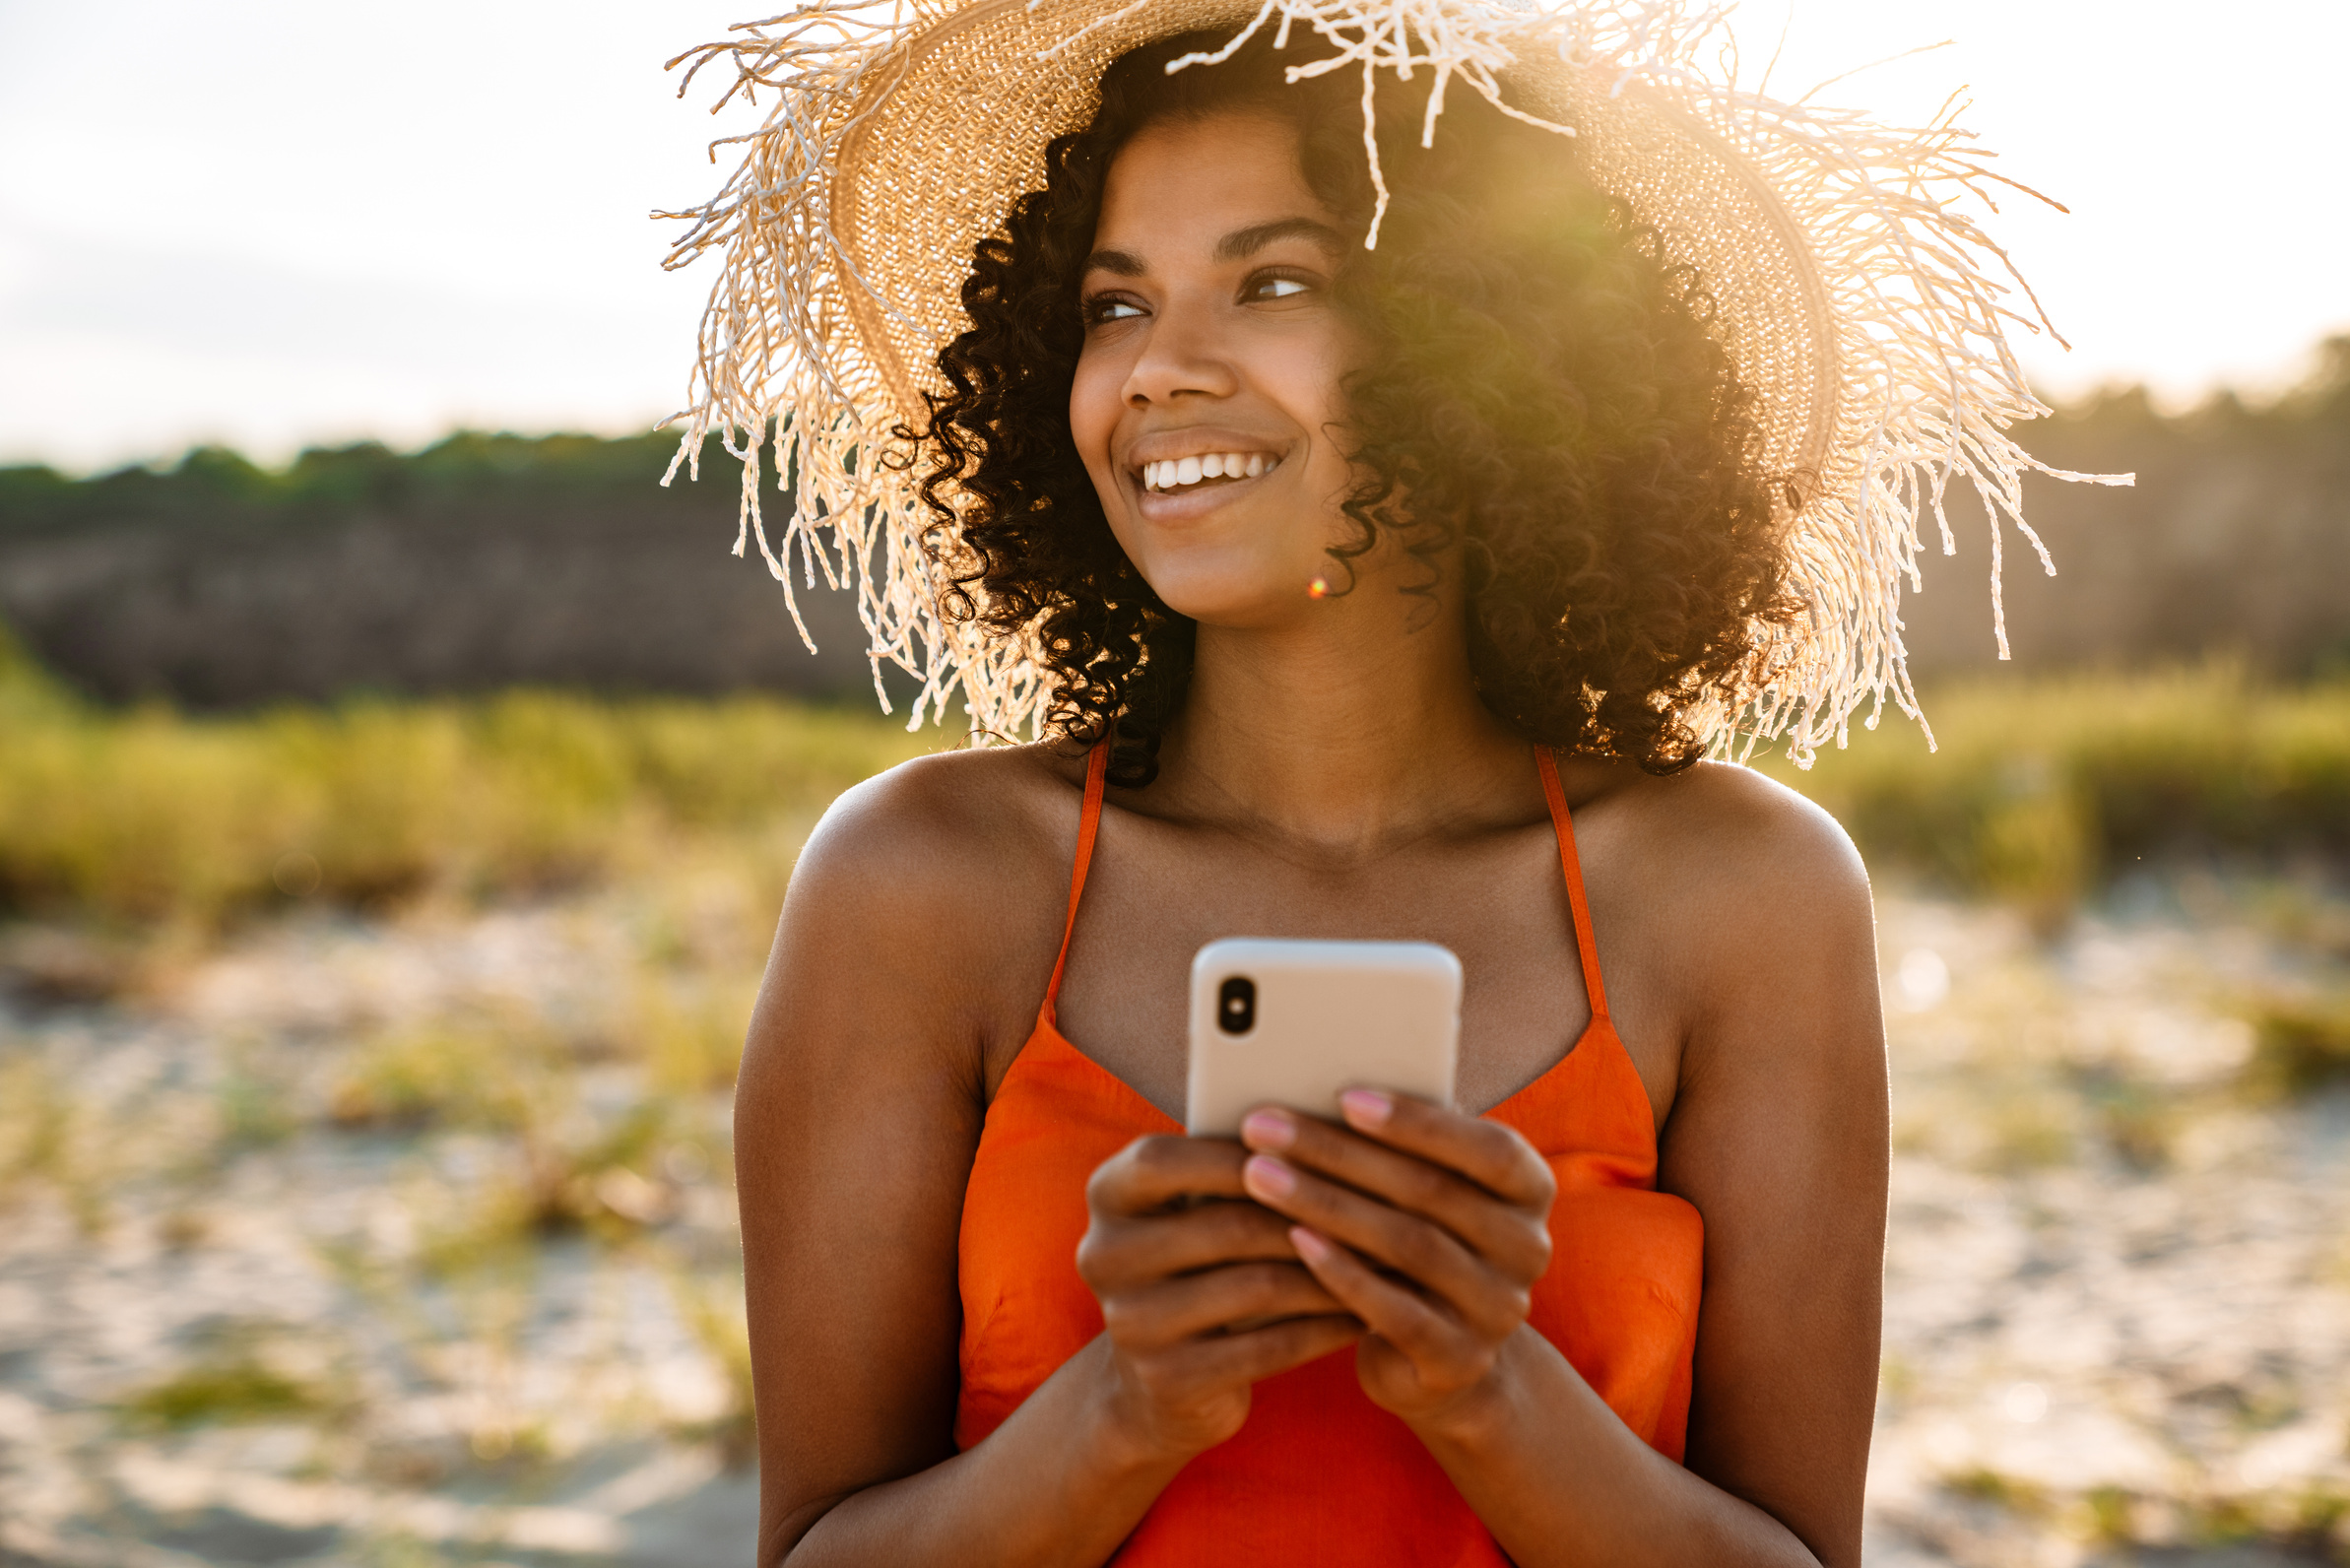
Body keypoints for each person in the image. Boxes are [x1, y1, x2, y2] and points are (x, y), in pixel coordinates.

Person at [660, 3, 2084, 1563]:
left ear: (1490, 345)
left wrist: (1487, 1389)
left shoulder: (1741, 895)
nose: (1157, 375)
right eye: (1113, 306)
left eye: (1272, 282)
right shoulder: (919, 882)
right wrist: (1124, 1410)